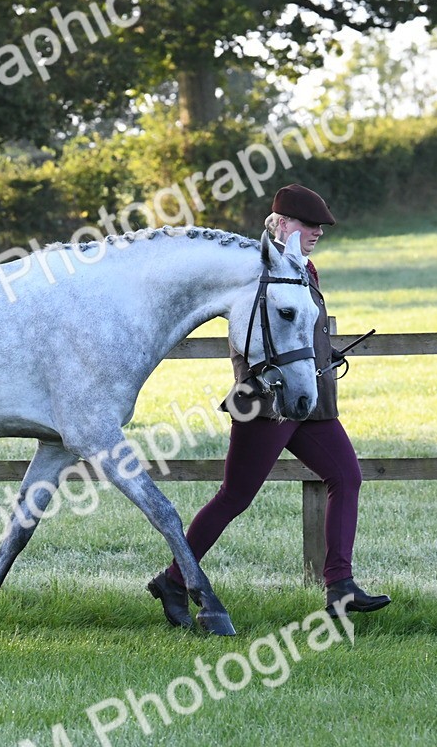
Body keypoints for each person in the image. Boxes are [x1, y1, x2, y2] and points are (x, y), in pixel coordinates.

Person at [148, 183, 390, 625]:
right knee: (235, 496)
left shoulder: (304, 268)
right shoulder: (253, 268)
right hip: (264, 401)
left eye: (320, 226)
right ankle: (174, 579)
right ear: (280, 223)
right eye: (308, 224)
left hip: (309, 401)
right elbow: (252, 336)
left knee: (346, 476)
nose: (317, 232)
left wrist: (321, 355)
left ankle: (340, 585)